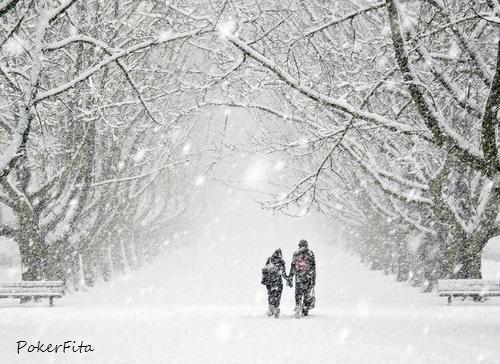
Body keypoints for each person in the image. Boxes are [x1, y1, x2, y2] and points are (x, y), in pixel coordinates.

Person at [287, 239, 316, 318]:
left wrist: (290, 278)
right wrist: (313, 280)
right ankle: (305, 310)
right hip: (308, 277)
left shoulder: (296, 253)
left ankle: (298, 307)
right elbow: (313, 268)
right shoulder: (310, 253)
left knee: (298, 294)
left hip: (299, 276)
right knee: (307, 294)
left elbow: (293, 266)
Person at [261, 249, 288, 318]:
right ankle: (276, 308)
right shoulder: (281, 261)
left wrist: (265, 280)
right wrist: (288, 280)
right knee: (278, 295)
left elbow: (265, 270)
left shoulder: (269, 259)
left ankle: (271, 309)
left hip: (269, 281)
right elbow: (284, 274)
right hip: (278, 280)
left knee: (271, 294)